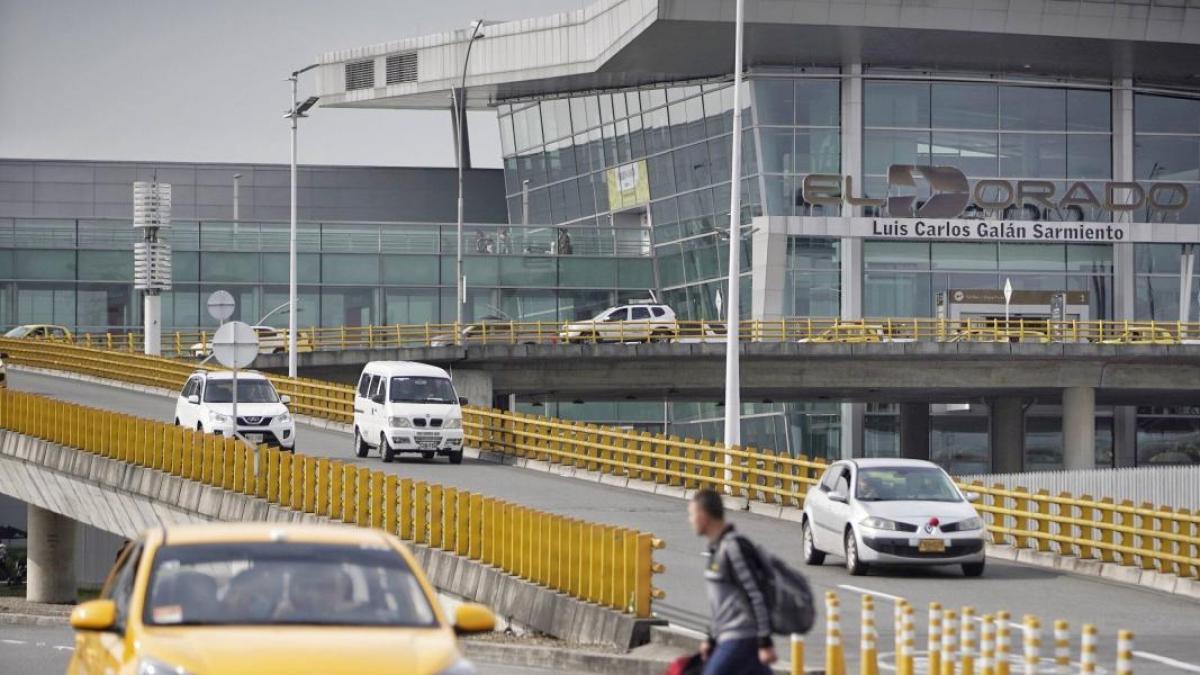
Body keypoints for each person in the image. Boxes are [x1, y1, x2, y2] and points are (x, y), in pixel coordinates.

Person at [688, 488, 776, 675]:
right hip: (734, 638)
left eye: (692, 514)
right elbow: (724, 605)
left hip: (741, 638)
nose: (691, 520)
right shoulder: (716, 549)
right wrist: (711, 639)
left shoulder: (733, 548)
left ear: (703, 517)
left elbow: (755, 594)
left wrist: (765, 642)